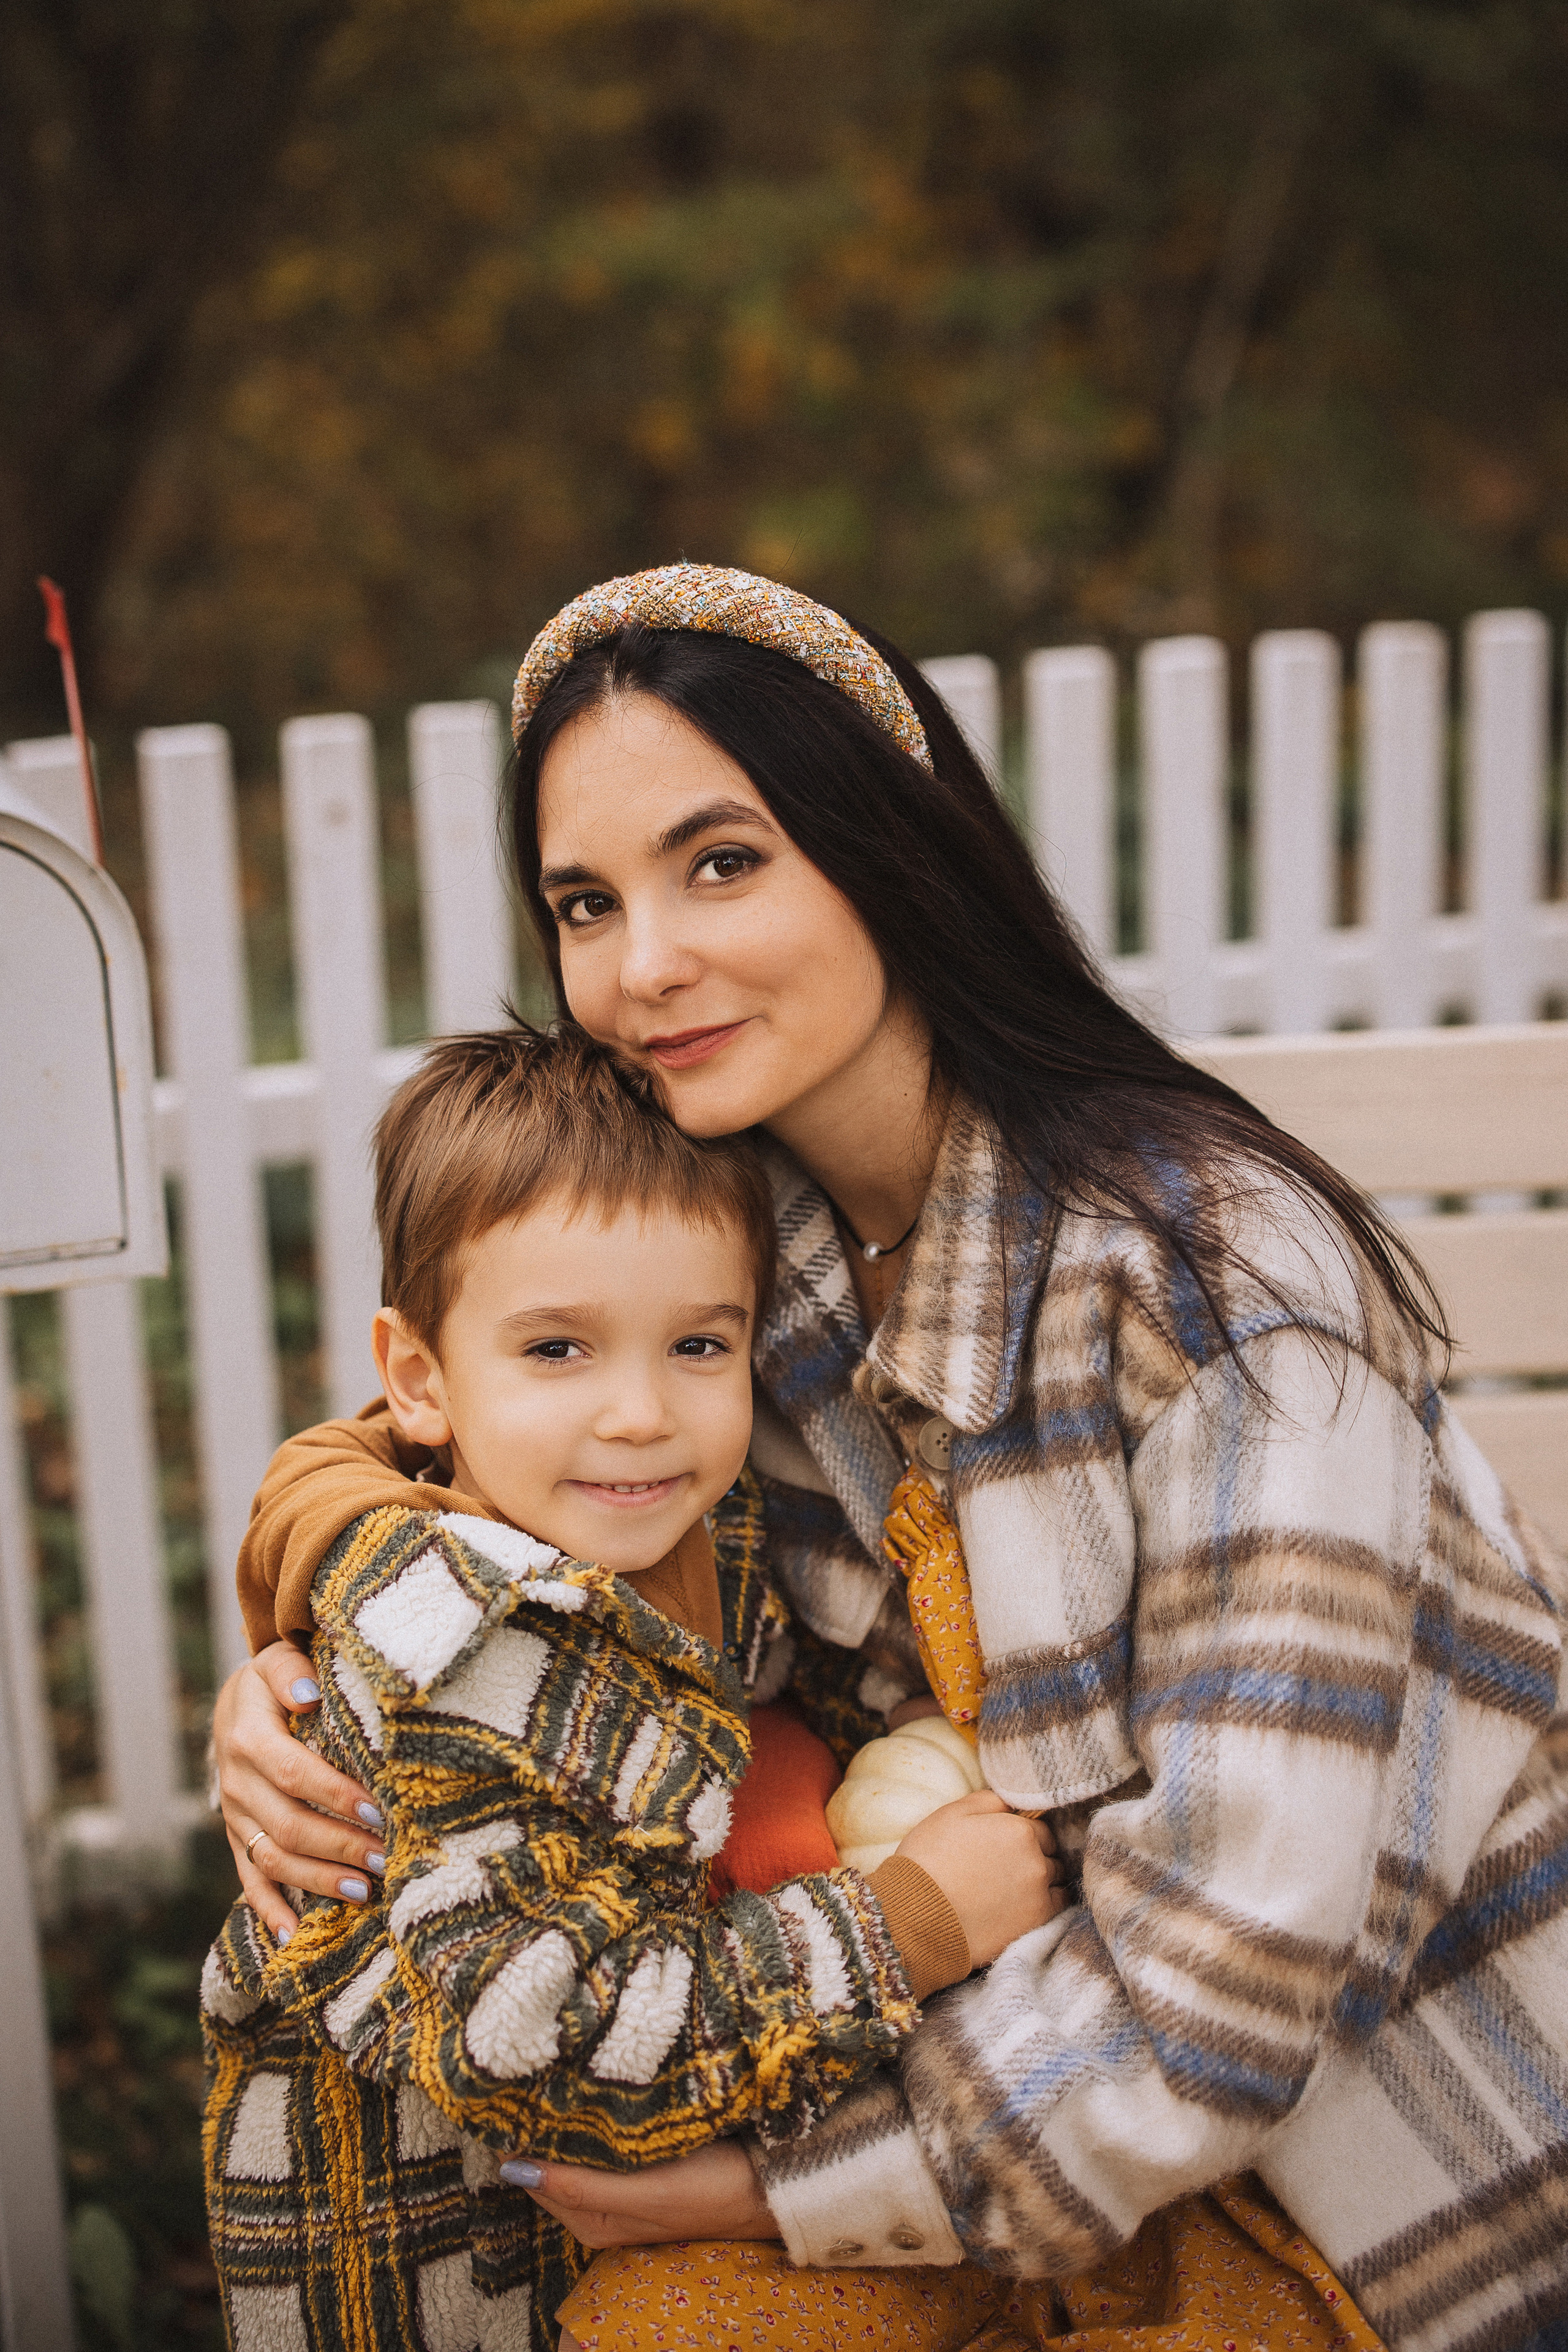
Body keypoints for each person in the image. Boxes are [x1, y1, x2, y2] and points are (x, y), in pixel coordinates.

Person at [213, 565, 1568, 2352]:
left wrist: (778, 2189)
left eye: (721, 863)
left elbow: (1236, 1983)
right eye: (585, 902)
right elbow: (459, 1415)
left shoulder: (1214, 1292)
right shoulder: (742, 1241)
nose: (643, 965)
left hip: (1366, 2170)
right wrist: (309, 1609)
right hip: (956, 2054)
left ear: (891, 850)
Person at [203, 1022, 1062, 2351]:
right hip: (455, 2273)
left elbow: (749, 1678)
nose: (641, 1412)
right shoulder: (465, 1657)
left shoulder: (669, 1515)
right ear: (419, 1379)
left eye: (698, 1346)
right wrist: (905, 1926)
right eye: (558, 1350)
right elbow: (550, 2050)